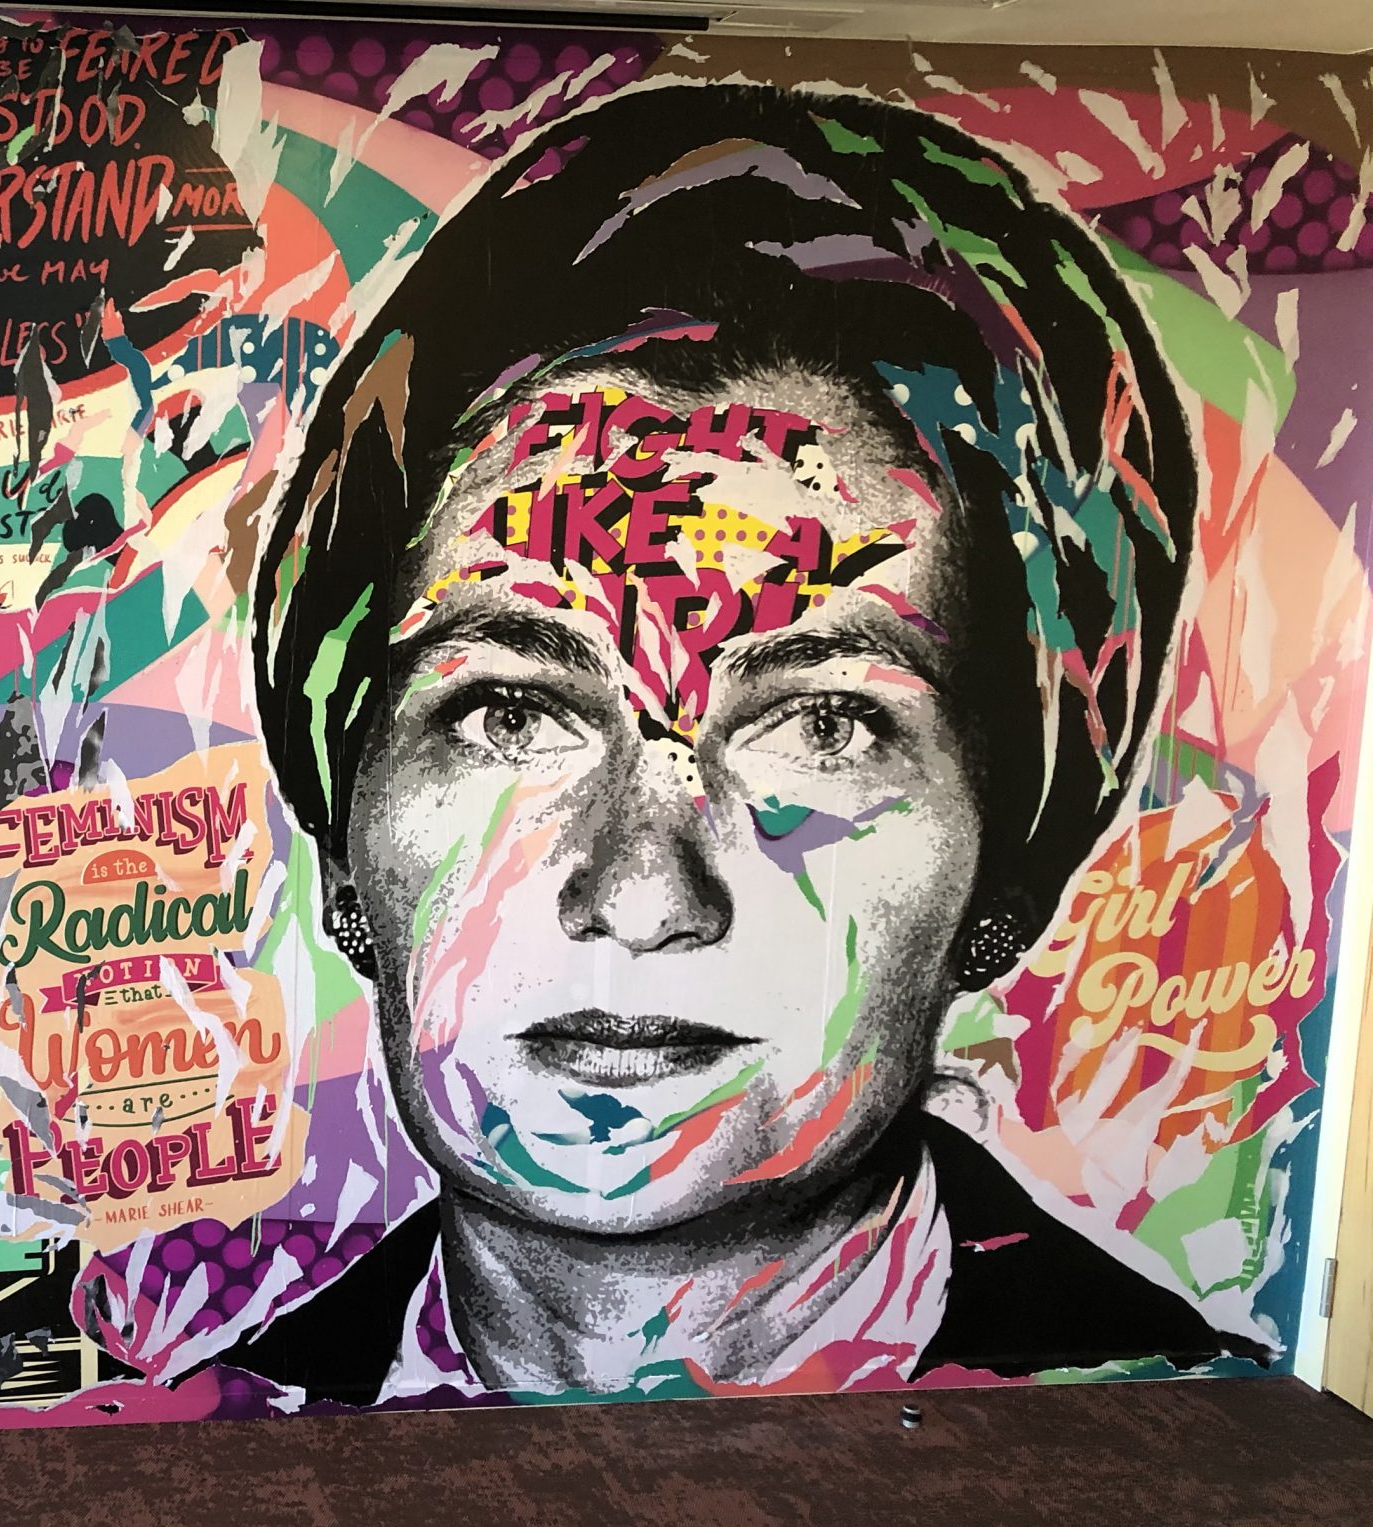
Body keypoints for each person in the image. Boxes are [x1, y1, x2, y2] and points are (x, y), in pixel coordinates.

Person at [237, 78, 1260, 1404]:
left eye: (824, 726)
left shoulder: (1196, 1456)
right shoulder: (207, 1445)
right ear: (342, 841)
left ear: (1011, 863)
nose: (641, 893)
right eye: (512, 714)